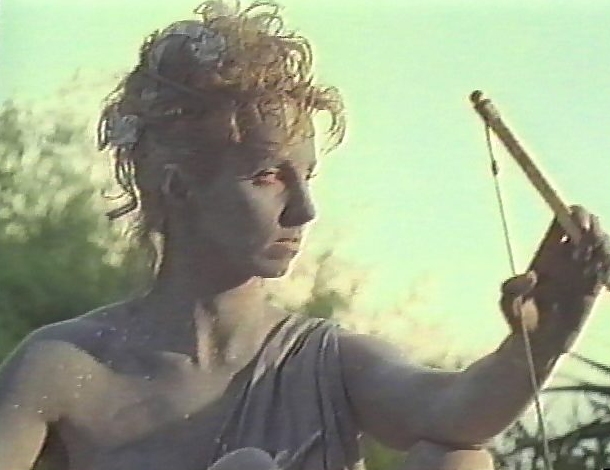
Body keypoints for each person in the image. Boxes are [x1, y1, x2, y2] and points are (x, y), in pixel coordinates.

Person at [0, 2, 609, 470]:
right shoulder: (65, 366)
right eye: (268, 177)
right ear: (180, 186)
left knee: (458, 460)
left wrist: (540, 343)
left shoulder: (326, 361)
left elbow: (453, 411)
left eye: (307, 176)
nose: (305, 209)